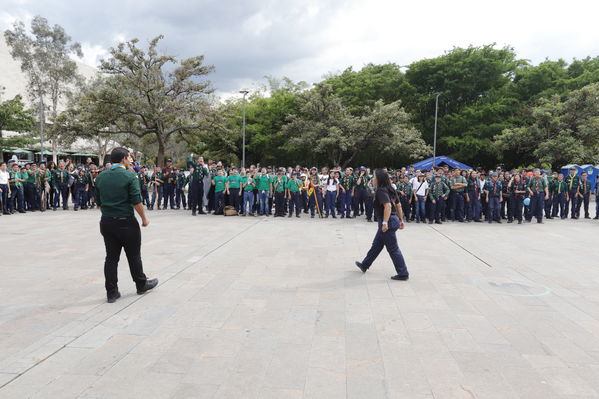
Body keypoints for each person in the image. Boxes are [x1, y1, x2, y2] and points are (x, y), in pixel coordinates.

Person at [94, 147, 158, 303]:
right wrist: (144, 218)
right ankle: (141, 284)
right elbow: (136, 200)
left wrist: (109, 213)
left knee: (111, 258)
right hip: (126, 222)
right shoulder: (130, 175)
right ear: (123, 159)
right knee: (134, 255)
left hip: (107, 222)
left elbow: (98, 202)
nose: (130, 160)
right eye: (129, 157)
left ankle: (112, 292)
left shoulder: (101, 176)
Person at [355, 169, 409, 281]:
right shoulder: (391, 189)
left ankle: (403, 273)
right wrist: (401, 220)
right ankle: (365, 264)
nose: (372, 179)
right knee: (377, 244)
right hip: (393, 219)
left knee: (393, 249)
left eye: (374, 177)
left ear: (379, 179)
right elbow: (398, 206)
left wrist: (384, 223)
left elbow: (388, 206)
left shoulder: (381, 191)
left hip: (387, 221)